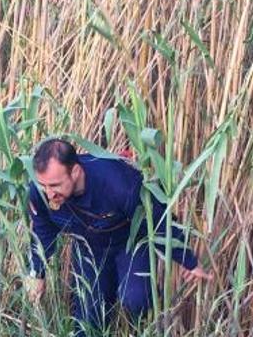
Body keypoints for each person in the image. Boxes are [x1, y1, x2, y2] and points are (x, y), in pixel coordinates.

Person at [25, 138, 211, 335]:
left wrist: (188, 260)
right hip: (89, 248)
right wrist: (37, 273)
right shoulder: (41, 192)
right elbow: (42, 230)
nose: (49, 194)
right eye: (43, 185)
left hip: (130, 242)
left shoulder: (119, 183)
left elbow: (157, 219)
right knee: (88, 322)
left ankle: (140, 327)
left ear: (76, 171)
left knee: (135, 299)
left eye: (55, 185)